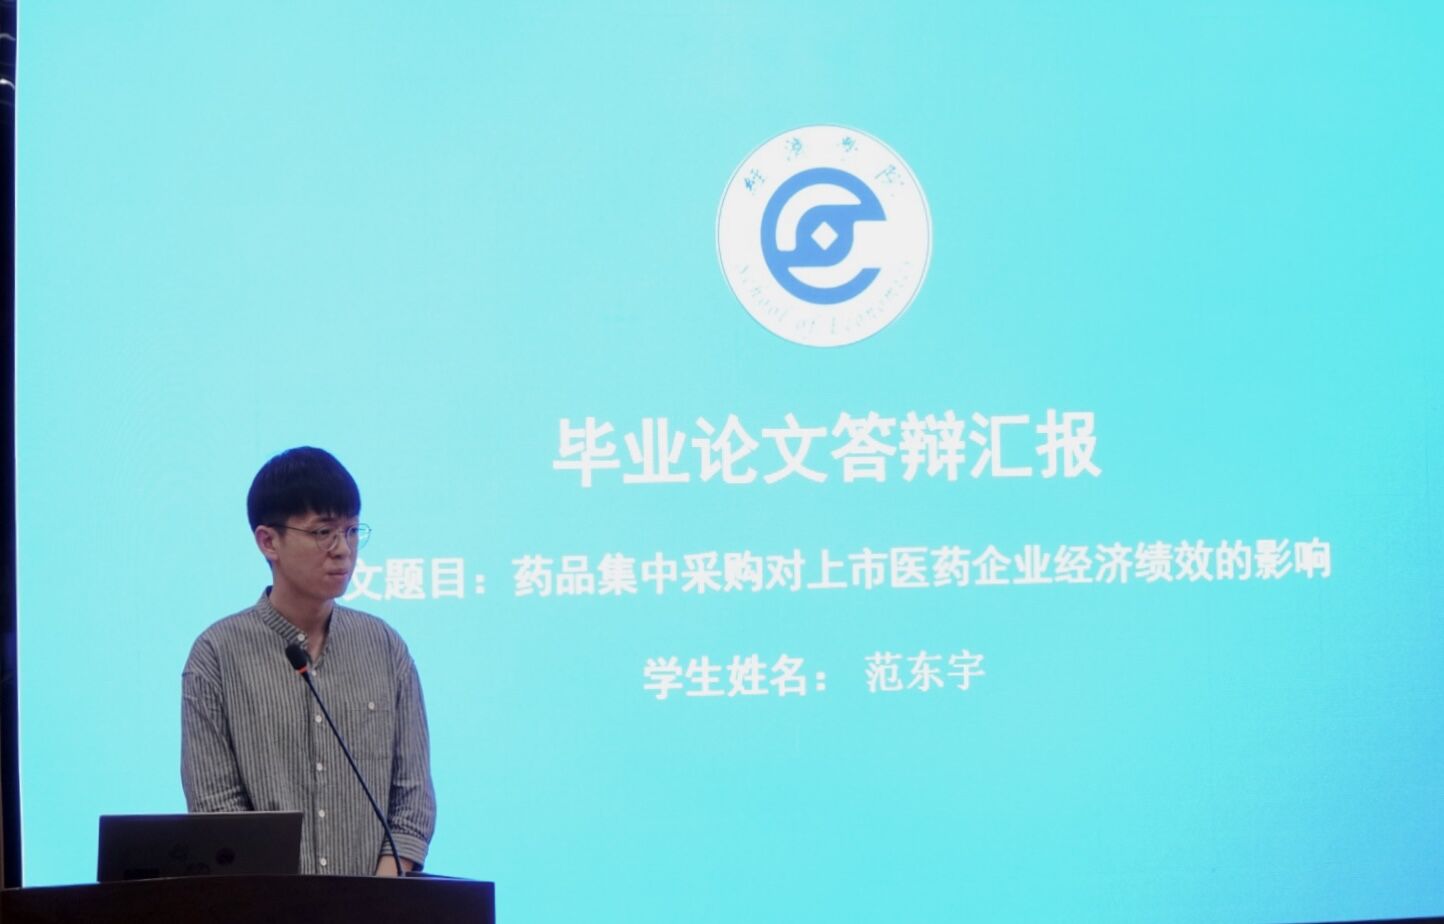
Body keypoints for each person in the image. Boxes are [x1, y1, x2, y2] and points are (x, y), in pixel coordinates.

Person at [181, 447, 435, 876]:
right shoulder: (217, 655)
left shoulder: (385, 647)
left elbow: (412, 803)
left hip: (376, 903)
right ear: (268, 541)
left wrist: (377, 897)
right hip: (265, 904)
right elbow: (215, 809)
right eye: (323, 532)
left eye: (352, 531)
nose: (343, 550)